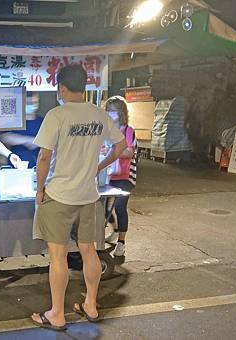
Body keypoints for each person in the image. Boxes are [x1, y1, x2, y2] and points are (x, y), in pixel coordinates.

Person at [30, 64, 126, 331]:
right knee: (89, 252)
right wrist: (98, 167)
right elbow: (121, 146)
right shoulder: (99, 115)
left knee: (58, 257)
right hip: (88, 196)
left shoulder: (57, 115)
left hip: (59, 195)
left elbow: (44, 157)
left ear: (61, 88)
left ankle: (57, 315)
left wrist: (39, 190)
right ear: (84, 86)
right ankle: (91, 305)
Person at [104, 96, 138, 257]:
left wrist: (111, 151)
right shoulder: (106, 131)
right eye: (108, 110)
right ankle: (116, 229)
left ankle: (121, 243)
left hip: (125, 177)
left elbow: (129, 152)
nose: (111, 114)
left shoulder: (128, 130)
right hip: (108, 175)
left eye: (114, 111)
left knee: (119, 207)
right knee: (103, 208)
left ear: (121, 112)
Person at [0, 92, 43, 168]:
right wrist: (27, 140)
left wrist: (37, 142)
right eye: (27, 103)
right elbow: (4, 138)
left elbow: (50, 140)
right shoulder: (13, 121)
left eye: (32, 103)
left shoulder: (43, 122)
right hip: (15, 166)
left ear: (37, 103)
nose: (29, 105)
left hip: (37, 167)